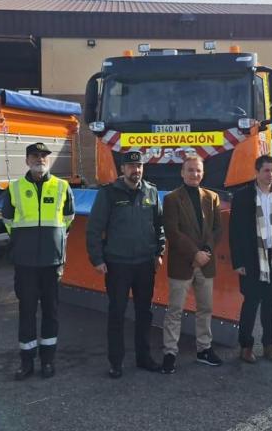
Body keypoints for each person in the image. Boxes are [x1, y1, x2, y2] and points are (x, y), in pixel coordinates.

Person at [86, 150, 165, 379]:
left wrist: (159, 252)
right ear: (122, 170)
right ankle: (116, 362)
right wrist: (97, 259)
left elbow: (159, 225)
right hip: (118, 265)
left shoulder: (151, 191)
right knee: (117, 313)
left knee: (144, 314)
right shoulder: (109, 193)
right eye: (131, 167)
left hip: (144, 264)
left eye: (139, 166)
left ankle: (144, 357)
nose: (136, 170)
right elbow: (94, 229)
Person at [2, 142, 75, 380]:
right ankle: (26, 362)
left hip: (51, 261)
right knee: (26, 311)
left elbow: (68, 218)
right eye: (35, 156)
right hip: (25, 263)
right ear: (27, 160)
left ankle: (48, 360)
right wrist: (24, 241)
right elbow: (8, 220)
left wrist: (55, 242)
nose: (40, 159)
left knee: (51, 312)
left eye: (44, 156)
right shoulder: (15, 188)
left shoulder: (62, 186)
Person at [160, 155, 224, 374]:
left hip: (206, 263)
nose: (194, 174)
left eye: (198, 170)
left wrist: (205, 252)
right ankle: (170, 352)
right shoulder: (171, 199)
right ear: (182, 172)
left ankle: (204, 349)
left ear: (202, 173)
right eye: (190, 170)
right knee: (175, 310)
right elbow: (172, 232)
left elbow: (217, 229)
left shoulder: (212, 197)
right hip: (182, 263)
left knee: (205, 309)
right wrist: (194, 253)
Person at [229, 154, 272, 364]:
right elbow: (235, 231)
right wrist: (238, 261)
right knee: (251, 304)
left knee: (270, 304)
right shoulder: (243, 196)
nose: (270, 174)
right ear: (256, 172)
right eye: (266, 170)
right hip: (252, 257)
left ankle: (269, 345)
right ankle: (246, 347)